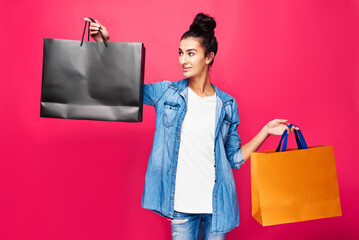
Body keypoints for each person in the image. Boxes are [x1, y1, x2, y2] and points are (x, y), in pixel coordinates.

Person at [84, 13, 299, 240]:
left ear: (209, 57)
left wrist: (265, 131)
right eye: (180, 53)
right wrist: (103, 43)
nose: (182, 60)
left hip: (218, 205)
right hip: (181, 204)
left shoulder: (226, 104)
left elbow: (234, 159)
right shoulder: (167, 93)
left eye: (191, 53)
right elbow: (125, 87)